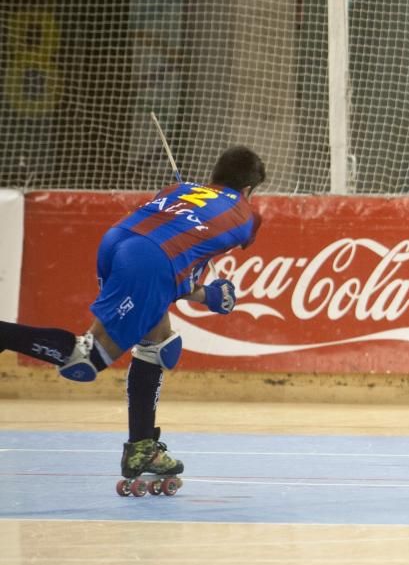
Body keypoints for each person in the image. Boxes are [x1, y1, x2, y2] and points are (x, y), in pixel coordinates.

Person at [0, 146, 266, 486]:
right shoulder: (246, 216)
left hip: (117, 241)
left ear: (214, 176)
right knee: (87, 358)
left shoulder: (175, 190)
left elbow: (169, 270)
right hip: (150, 259)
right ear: (248, 190)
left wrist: (202, 293)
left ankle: (142, 448)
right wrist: (212, 295)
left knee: (159, 343)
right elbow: (167, 269)